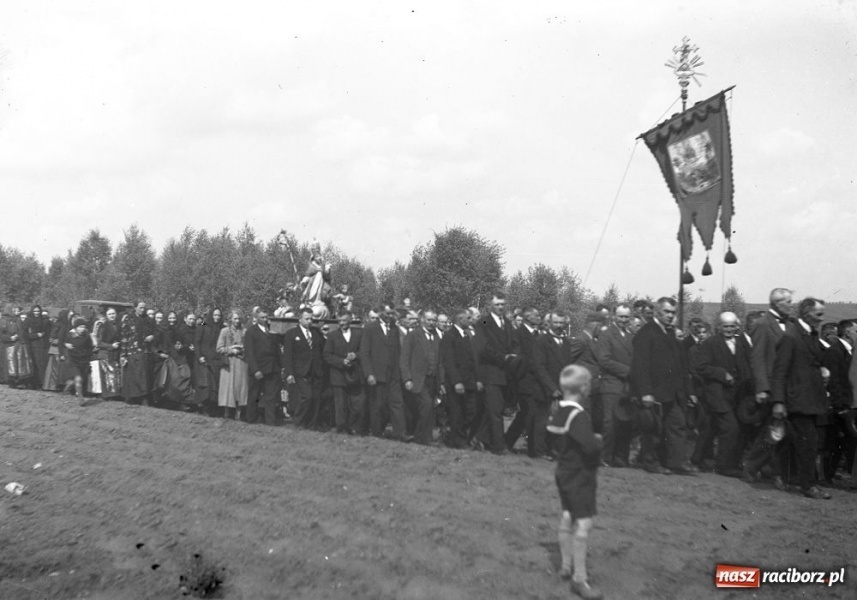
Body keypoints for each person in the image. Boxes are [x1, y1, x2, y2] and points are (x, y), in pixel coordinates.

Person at [547, 365, 603, 600]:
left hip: (563, 470)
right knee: (584, 523)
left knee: (567, 514)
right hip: (580, 474)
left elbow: (549, 437)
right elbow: (589, 447)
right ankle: (580, 579)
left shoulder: (557, 411)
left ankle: (565, 566)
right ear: (583, 388)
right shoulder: (579, 415)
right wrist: (597, 441)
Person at [771, 297, 831, 499]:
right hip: (798, 400)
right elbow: (779, 371)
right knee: (808, 443)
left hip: (811, 400)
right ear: (806, 313)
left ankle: (782, 475)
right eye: (818, 314)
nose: (822, 318)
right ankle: (807, 486)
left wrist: (821, 369)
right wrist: (778, 401)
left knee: (797, 441)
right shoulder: (791, 336)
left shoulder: (810, 334)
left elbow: (810, 361)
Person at [630, 297, 698, 475]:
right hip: (653, 392)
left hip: (672, 392)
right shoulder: (646, 333)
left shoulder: (670, 333)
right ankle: (650, 463)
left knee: (677, 425)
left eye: (673, 313)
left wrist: (687, 391)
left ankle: (677, 462)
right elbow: (640, 366)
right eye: (667, 312)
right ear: (657, 312)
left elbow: (680, 364)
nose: (670, 316)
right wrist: (645, 393)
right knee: (653, 429)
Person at [691, 312, 752, 478]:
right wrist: (721, 373)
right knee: (730, 428)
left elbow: (747, 365)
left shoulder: (741, 342)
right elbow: (700, 367)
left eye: (732, 326)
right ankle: (723, 465)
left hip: (737, 394)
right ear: (719, 327)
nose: (729, 329)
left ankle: (697, 459)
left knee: (710, 427)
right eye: (725, 326)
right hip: (717, 393)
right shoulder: (711, 343)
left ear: (737, 327)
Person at [748, 288, 792, 489]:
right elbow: (757, 358)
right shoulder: (762, 324)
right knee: (772, 432)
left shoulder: (790, 325)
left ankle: (767, 468)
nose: (791, 305)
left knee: (778, 432)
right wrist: (762, 388)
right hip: (771, 388)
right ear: (776, 304)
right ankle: (754, 467)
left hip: (788, 387)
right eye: (788, 302)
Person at [474, 292, 520, 454]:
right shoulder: (483, 321)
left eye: (502, 304)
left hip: (505, 373)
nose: (500, 307)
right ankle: (499, 446)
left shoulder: (507, 323)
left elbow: (514, 343)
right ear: (490, 306)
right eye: (497, 304)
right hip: (490, 372)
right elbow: (483, 348)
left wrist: (514, 356)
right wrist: (504, 358)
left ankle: (480, 438)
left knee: (496, 409)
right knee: (495, 411)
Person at [505, 307, 549, 458]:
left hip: (537, 381)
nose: (539, 317)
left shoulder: (538, 335)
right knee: (530, 415)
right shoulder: (519, 335)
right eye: (536, 315)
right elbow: (519, 358)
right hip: (525, 381)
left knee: (524, 415)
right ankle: (534, 450)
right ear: (526, 317)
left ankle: (507, 442)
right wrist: (537, 366)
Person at [360, 305, 408, 441]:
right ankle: (377, 432)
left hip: (393, 374)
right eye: (386, 313)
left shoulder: (394, 328)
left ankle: (401, 433)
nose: (388, 315)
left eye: (391, 313)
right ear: (380, 312)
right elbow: (365, 352)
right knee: (378, 405)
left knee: (397, 404)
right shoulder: (370, 328)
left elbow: (398, 350)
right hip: (377, 374)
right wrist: (369, 373)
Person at [595, 304, 635, 467]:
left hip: (627, 387)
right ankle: (605, 457)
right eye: (621, 317)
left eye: (626, 317)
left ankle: (621, 457)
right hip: (611, 384)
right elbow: (604, 360)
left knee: (625, 423)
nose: (623, 320)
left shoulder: (631, 336)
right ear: (614, 317)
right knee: (610, 423)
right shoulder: (606, 335)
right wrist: (628, 371)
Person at [400, 309, 444, 445]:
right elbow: (404, 359)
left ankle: (419, 437)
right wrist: (407, 379)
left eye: (434, 320)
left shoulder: (437, 336)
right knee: (426, 407)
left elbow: (440, 361)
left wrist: (441, 382)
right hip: (418, 379)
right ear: (422, 320)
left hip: (433, 379)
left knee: (427, 409)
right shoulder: (413, 335)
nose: (432, 323)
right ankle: (425, 439)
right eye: (429, 320)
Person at [440, 308, 482, 449]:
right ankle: (457, 441)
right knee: (457, 413)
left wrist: (477, 379)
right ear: (460, 320)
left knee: (471, 411)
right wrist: (456, 381)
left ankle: (457, 436)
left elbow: (471, 360)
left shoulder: (465, 335)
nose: (471, 321)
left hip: (469, 381)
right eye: (468, 318)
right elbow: (449, 361)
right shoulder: (450, 336)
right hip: (456, 383)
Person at [323, 310, 365, 434]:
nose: (342, 323)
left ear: (350, 320)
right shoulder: (332, 336)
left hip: (355, 375)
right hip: (338, 375)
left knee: (357, 404)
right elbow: (326, 355)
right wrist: (341, 362)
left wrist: (355, 356)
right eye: (339, 321)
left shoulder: (359, 334)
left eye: (344, 321)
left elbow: (364, 351)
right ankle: (341, 429)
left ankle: (354, 427)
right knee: (340, 405)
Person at [283, 307, 325, 428]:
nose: (309, 321)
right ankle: (299, 421)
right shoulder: (292, 334)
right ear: (300, 319)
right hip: (300, 372)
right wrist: (289, 373)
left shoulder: (316, 333)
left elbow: (322, 350)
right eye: (306, 319)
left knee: (316, 399)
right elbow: (287, 355)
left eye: (311, 319)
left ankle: (312, 424)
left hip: (316, 371)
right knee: (307, 396)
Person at [244, 308, 283, 426]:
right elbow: (249, 353)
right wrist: (255, 370)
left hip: (272, 369)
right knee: (254, 395)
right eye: (262, 317)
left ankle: (270, 421)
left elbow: (277, 350)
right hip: (258, 370)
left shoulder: (271, 332)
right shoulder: (251, 332)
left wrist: (280, 367)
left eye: (266, 317)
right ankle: (251, 419)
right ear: (256, 318)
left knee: (271, 396)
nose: (265, 320)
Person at [121, 301, 156, 405]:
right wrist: (123, 354)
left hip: (146, 351)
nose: (143, 309)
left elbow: (155, 332)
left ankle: (144, 398)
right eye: (140, 307)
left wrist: (152, 337)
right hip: (132, 351)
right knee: (134, 376)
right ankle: (133, 398)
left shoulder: (148, 320)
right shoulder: (128, 319)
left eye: (144, 307)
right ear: (135, 307)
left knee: (144, 376)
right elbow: (124, 337)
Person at [216, 309, 249, 420]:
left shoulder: (245, 331)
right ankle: (227, 412)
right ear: (230, 319)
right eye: (235, 318)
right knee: (228, 388)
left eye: (239, 318)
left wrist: (242, 350)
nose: (237, 321)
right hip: (228, 364)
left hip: (241, 362)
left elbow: (249, 347)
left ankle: (239, 412)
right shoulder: (224, 331)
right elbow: (219, 348)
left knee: (240, 388)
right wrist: (231, 350)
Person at [195, 308, 225, 413]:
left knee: (215, 385)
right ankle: (204, 408)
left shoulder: (222, 327)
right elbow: (197, 342)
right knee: (205, 385)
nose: (216, 317)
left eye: (219, 315)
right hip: (205, 359)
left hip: (216, 360)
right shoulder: (203, 325)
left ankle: (214, 409)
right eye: (215, 315)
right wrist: (199, 356)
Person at [96, 307, 123, 400]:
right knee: (108, 376)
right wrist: (111, 346)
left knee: (115, 375)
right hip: (105, 354)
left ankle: (115, 395)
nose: (112, 316)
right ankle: (108, 396)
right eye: (110, 314)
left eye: (113, 313)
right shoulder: (103, 326)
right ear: (106, 316)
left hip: (115, 354)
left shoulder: (119, 325)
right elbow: (99, 343)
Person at [65, 318, 94, 403]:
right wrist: (66, 345)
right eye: (80, 327)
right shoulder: (70, 336)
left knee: (83, 379)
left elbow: (90, 348)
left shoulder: (87, 337)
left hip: (84, 361)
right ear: (76, 328)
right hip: (74, 361)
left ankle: (70, 385)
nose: (83, 329)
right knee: (78, 378)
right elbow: (65, 343)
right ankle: (80, 398)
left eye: (84, 327)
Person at [27, 306, 50, 389]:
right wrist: (37, 335)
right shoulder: (29, 320)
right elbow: (27, 334)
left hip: (41, 346)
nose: (36, 313)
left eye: (38, 311)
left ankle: (41, 383)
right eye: (34, 311)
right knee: (33, 365)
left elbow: (46, 333)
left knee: (40, 365)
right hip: (32, 345)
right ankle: (33, 384)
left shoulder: (43, 320)